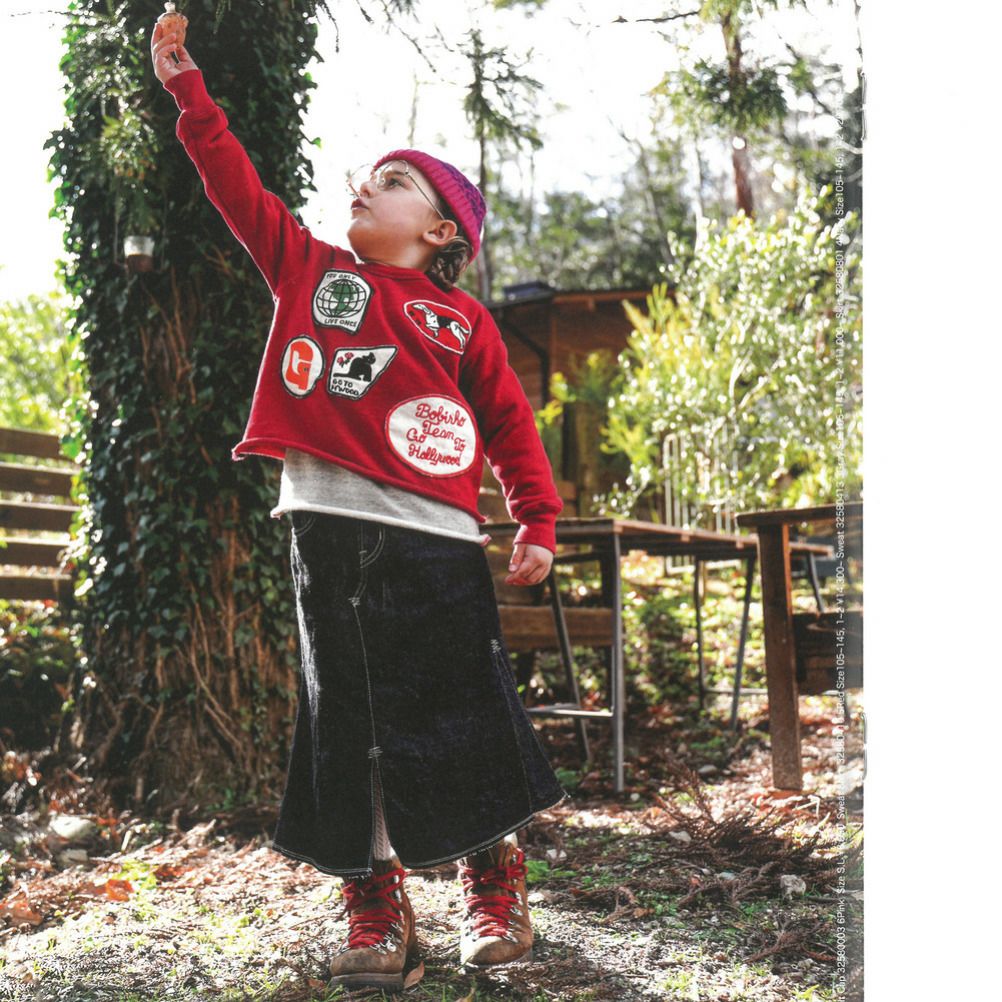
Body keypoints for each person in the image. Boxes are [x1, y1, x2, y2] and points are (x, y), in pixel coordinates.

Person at [151, 21, 569, 992]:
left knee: (460, 711)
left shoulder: (463, 321)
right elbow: (236, 189)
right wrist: (190, 95)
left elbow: (509, 423)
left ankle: (492, 878)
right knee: (347, 720)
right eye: (367, 178)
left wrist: (536, 519)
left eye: (393, 181)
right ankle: (375, 902)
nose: (365, 187)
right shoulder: (310, 271)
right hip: (325, 536)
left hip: (436, 542)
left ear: (440, 231)